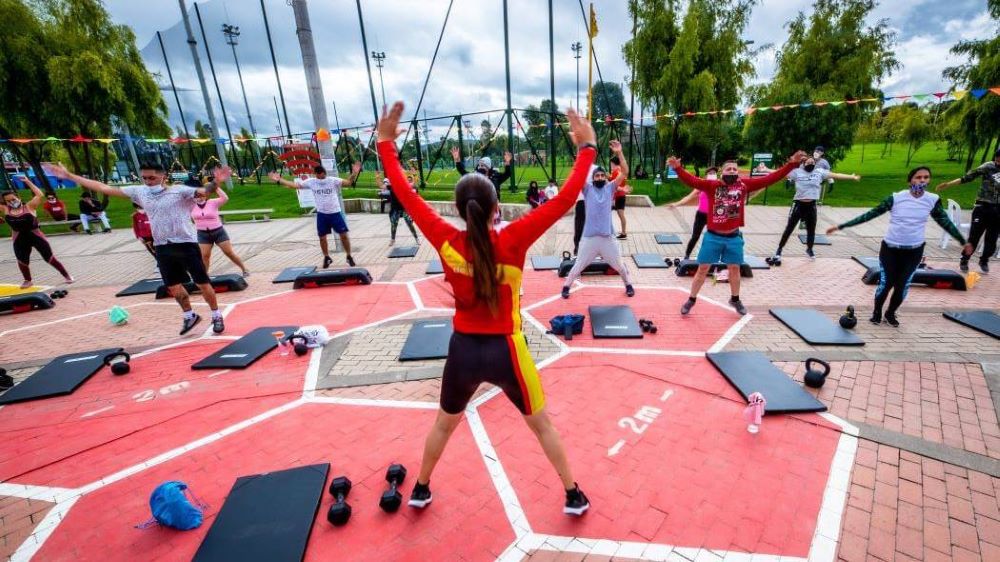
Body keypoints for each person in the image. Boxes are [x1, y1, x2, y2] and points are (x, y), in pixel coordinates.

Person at [378, 101, 594, 516]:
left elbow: (405, 192)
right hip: (507, 350)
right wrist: (587, 149)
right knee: (542, 425)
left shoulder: (443, 237)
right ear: (496, 208)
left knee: (443, 423)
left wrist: (386, 143)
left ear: (459, 210)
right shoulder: (514, 237)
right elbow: (566, 198)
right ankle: (573, 494)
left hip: (462, 350)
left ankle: (420, 488)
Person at [47, 162, 231, 335]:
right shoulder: (139, 191)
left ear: (163, 177)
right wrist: (70, 176)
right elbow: (103, 188)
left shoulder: (180, 191)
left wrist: (216, 181)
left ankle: (216, 315)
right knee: (173, 286)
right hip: (162, 246)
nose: (148, 182)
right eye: (144, 178)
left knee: (202, 283)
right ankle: (189, 316)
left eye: (151, 178)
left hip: (185, 243)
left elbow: (204, 190)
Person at [828, 167, 971, 327]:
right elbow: (871, 214)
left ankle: (890, 314)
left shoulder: (932, 199)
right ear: (910, 180)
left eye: (926, 177)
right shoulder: (896, 198)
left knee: (902, 284)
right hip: (890, 249)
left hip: (914, 251)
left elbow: (944, 221)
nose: (922, 180)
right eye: (918, 177)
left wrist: (962, 241)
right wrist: (842, 226)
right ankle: (877, 312)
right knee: (886, 283)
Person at [669, 152, 806, 316]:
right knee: (702, 269)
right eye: (729, 169)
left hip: (733, 237)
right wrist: (677, 168)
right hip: (713, 236)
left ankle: (735, 299)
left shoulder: (743, 186)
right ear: (722, 173)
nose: (732, 171)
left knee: (735, 269)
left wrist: (791, 164)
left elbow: (771, 179)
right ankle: (691, 299)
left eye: (735, 169)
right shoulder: (712, 186)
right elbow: (692, 180)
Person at [561, 141, 634, 299]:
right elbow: (578, 174)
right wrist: (580, 153)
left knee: (619, 265)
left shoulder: (610, 188)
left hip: (608, 238)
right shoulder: (587, 189)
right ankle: (566, 286)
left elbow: (625, 172)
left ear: (605, 178)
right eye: (597, 176)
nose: (600, 177)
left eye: (602, 175)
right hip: (589, 238)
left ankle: (628, 284)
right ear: (593, 178)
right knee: (578, 265)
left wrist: (619, 153)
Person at [269, 162, 361, 268]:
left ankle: (349, 256)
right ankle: (327, 257)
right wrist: (280, 179)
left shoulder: (332, 180)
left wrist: (354, 173)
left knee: (343, 235)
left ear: (324, 173)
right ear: (315, 174)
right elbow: (296, 185)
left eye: (321, 175)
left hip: (335, 212)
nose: (319, 178)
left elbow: (348, 182)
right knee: (322, 237)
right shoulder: (312, 182)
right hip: (322, 214)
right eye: (317, 176)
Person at [772, 157, 860, 260]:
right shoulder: (797, 172)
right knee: (789, 229)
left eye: (813, 162)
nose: (811, 164)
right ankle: (779, 249)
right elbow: (779, 173)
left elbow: (835, 175)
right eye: (808, 162)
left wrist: (852, 177)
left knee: (811, 230)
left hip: (811, 205)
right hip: (799, 205)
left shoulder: (819, 172)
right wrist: (765, 169)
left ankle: (809, 249)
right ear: (804, 163)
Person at [935, 147, 1000, 273]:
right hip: (982, 206)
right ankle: (965, 259)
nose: (998, 162)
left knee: (992, 239)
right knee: (974, 236)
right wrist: (949, 184)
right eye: (997, 159)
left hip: (998, 210)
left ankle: (984, 260)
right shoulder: (988, 167)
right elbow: (968, 177)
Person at [1, 177, 74, 288]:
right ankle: (27, 280)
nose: (12, 202)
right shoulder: (5, 209)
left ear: (18, 197)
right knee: (22, 261)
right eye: (8, 201)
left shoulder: (29, 206)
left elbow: (40, 194)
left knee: (49, 258)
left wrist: (27, 181)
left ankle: (67, 275)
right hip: (19, 239)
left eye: (13, 199)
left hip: (35, 236)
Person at [192, 187, 250, 277]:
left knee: (229, 253)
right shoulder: (190, 205)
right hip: (203, 234)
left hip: (218, 232)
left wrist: (216, 188)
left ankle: (244, 269)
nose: (199, 197)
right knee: (205, 256)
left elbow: (225, 198)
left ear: (206, 195)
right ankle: (204, 277)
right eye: (197, 195)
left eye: (202, 195)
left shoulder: (213, 202)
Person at [668, 167, 717, 261]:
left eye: (714, 173)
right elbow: (688, 197)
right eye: (710, 173)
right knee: (695, 236)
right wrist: (676, 204)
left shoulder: (719, 185)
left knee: (713, 237)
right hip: (701, 215)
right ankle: (687, 255)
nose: (712, 174)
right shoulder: (701, 186)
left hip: (713, 216)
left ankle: (712, 257)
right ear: (706, 175)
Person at [381, 178, 420, 246]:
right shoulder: (391, 186)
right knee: (394, 224)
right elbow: (382, 186)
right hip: (395, 209)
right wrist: (377, 178)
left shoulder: (404, 185)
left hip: (405, 208)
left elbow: (412, 184)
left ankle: (416, 238)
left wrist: (414, 177)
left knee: (410, 223)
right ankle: (393, 239)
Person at [610, 155, 632, 239]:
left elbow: (615, 185)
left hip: (619, 196)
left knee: (621, 215)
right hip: (620, 196)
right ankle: (623, 232)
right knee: (620, 215)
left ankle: (623, 233)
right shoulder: (620, 170)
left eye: (611, 163)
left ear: (614, 163)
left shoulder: (616, 171)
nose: (611, 165)